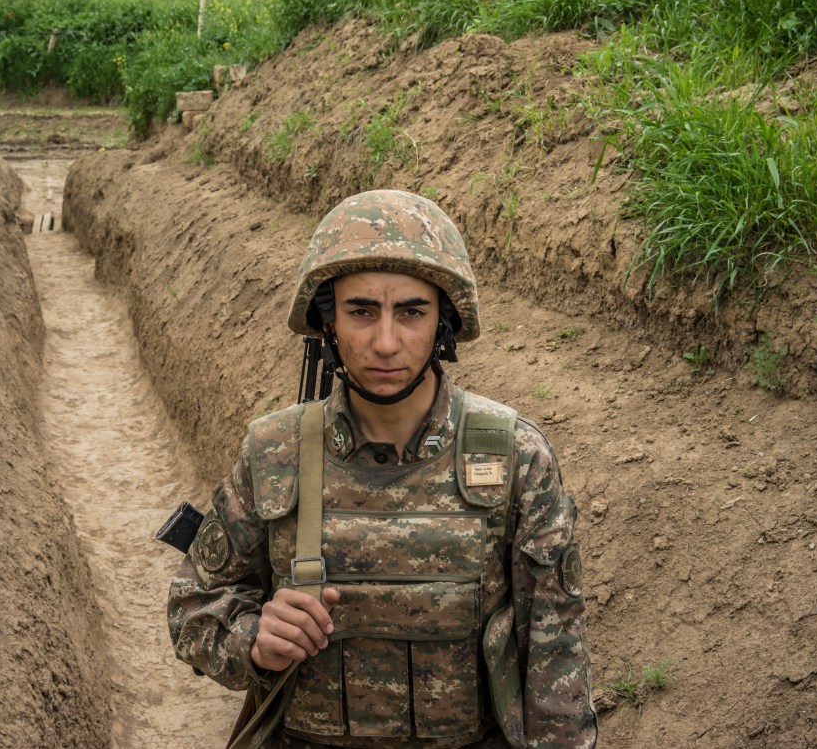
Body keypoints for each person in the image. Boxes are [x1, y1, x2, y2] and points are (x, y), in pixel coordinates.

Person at [168, 189, 597, 748]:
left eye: (412, 312)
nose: (386, 342)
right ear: (329, 322)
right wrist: (254, 639)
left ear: (443, 321)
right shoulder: (276, 452)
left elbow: (556, 660)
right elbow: (194, 607)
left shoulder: (515, 458)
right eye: (361, 311)